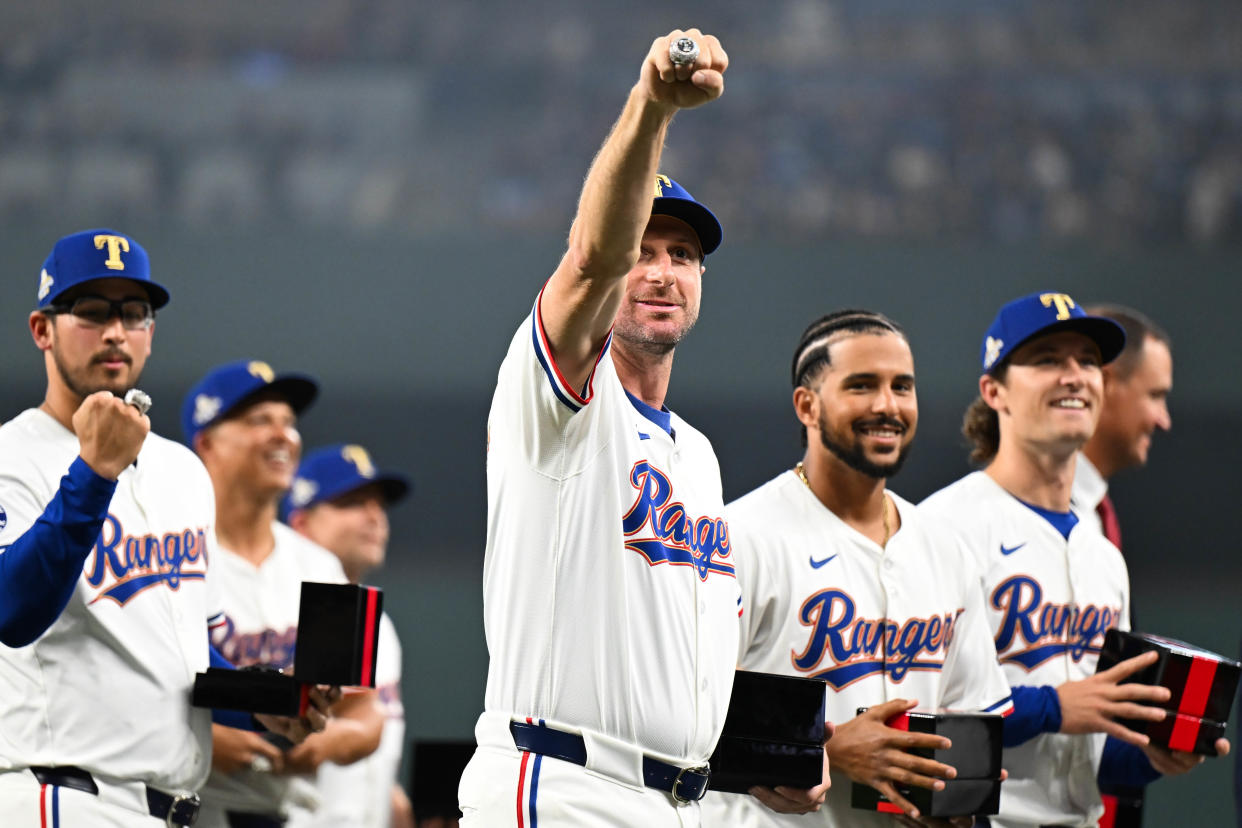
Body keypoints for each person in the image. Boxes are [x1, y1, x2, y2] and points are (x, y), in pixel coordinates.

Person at [457, 28, 830, 826]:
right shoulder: (559, 397)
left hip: (678, 800)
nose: (661, 270)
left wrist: (778, 761)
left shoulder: (695, 455)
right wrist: (652, 105)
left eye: (685, 254)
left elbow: (678, 670)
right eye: (646, 249)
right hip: (559, 783)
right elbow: (593, 259)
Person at [0, 230, 331, 828]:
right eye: (91, 311)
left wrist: (263, 704)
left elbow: (185, 652)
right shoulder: (12, 457)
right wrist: (94, 474)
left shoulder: (182, 470)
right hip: (60, 795)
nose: (115, 332)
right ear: (41, 329)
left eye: (134, 313)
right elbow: (10, 611)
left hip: (172, 808)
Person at [921, 291, 1228, 827]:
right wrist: (1055, 707)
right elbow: (921, 718)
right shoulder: (940, 528)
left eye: (1088, 361)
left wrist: (1152, 755)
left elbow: (1088, 756)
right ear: (995, 392)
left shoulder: (1104, 557)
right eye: (1047, 360)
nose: (1074, 375)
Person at [700, 310, 1014, 828]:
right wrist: (828, 749)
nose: (887, 405)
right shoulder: (740, 536)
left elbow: (972, 714)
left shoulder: (946, 547)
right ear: (808, 405)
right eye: (862, 386)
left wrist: (956, 801)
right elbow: (689, 718)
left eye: (902, 387)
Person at [184, 361, 386, 828]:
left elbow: (364, 711)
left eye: (289, 423)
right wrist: (206, 738)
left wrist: (326, 741)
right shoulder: (177, 555)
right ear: (207, 443)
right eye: (259, 421)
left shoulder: (316, 565)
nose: (283, 435)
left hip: (291, 813)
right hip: (195, 810)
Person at [1069, 306, 1171, 828]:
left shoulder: (1097, 521)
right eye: (1155, 395)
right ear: (1105, 384)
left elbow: (1097, 730)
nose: (1163, 418)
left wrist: (1153, 753)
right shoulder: (978, 521)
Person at [284, 443, 416, 828]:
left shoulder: (383, 628)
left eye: (379, 504)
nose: (375, 516)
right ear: (301, 522)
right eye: (353, 502)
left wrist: (388, 794)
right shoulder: (278, 610)